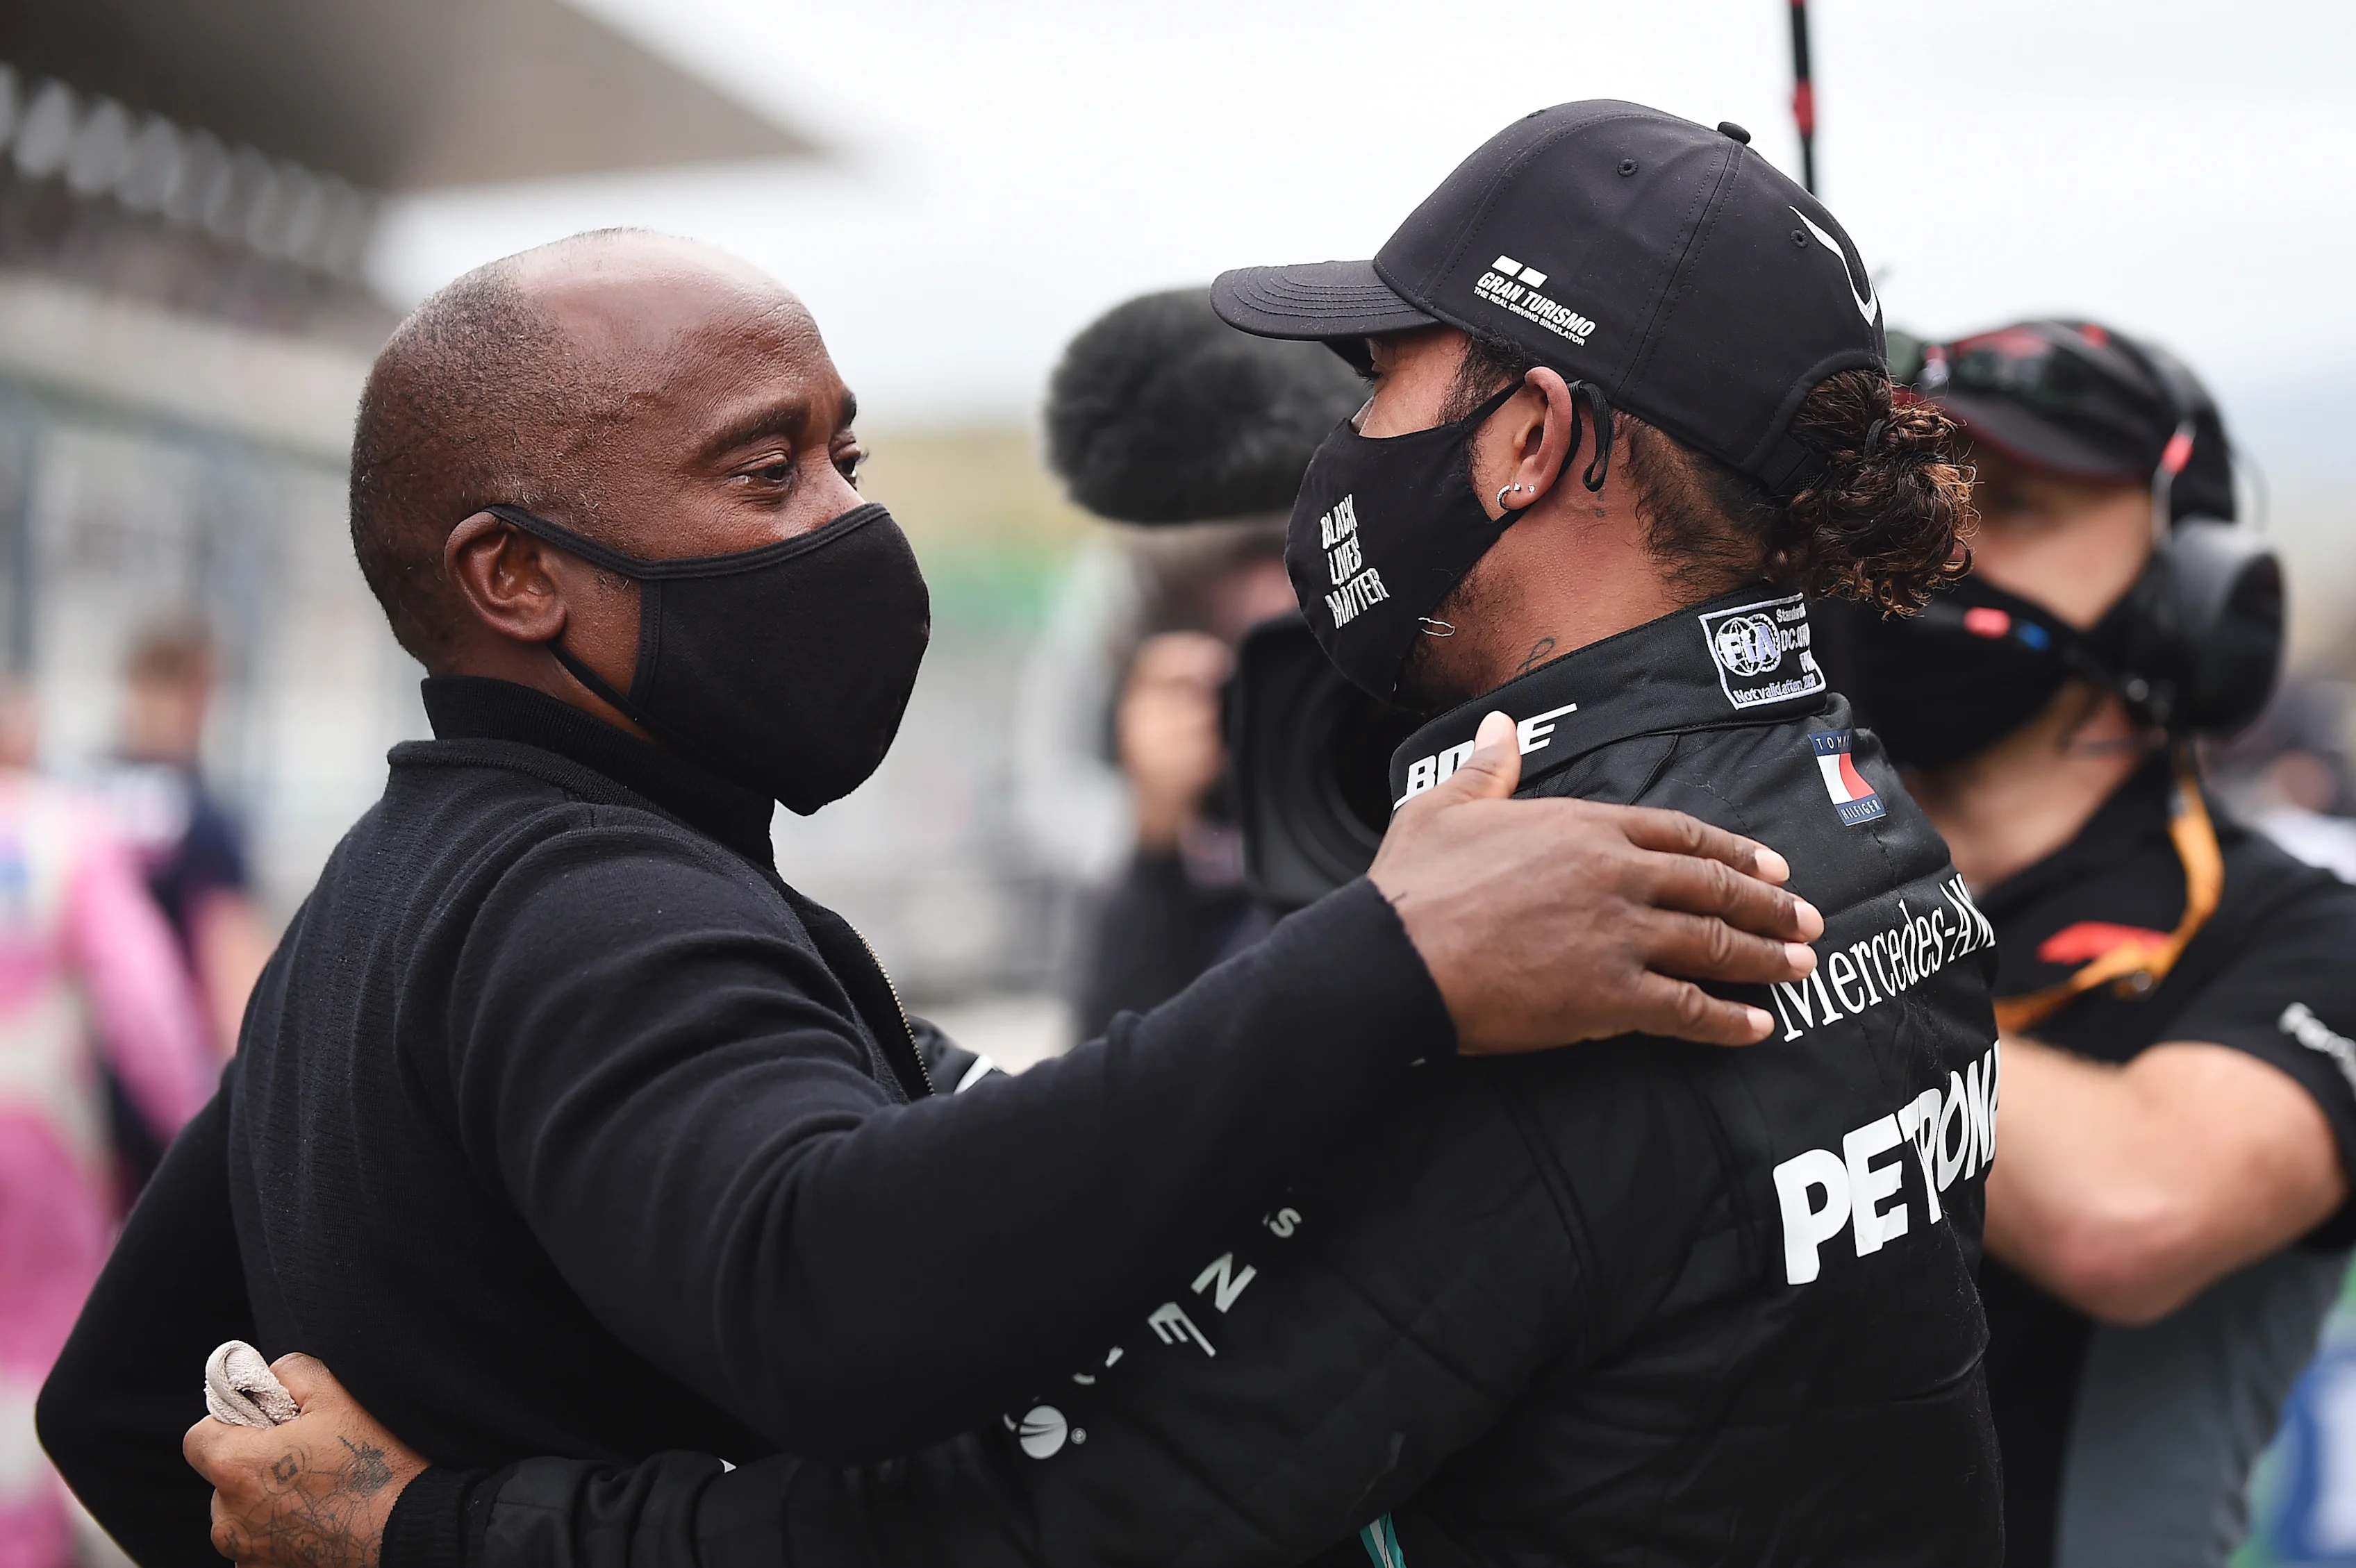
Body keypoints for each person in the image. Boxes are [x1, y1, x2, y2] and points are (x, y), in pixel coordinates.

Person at [187, 104, 2005, 1568]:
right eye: (775, 468)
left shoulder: (1553, 924)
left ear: (1527, 440)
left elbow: (1078, 1510)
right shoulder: (1845, 797)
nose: (1345, 443)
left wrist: (428, 1529)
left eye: (1384, 375)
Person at [1826, 318, 2356, 1568]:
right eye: (1908, 497)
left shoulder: (2296, 938)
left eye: (2011, 501)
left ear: (2192, 591)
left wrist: (1780, 943)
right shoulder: (1782, 872)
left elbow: (2129, 1212)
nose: (1942, 543)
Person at [1042, 288, 1365, 1035]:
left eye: (1290, 553)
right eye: (1238, 562)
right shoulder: (1203, 846)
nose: (1273, 600)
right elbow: (1113, 1068)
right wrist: (1158, 841)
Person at [0, 681, 215, 1568]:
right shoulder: (63, 828)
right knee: (35, 1348)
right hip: (33, 1130)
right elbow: (146, 1003)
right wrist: (195, 1136)